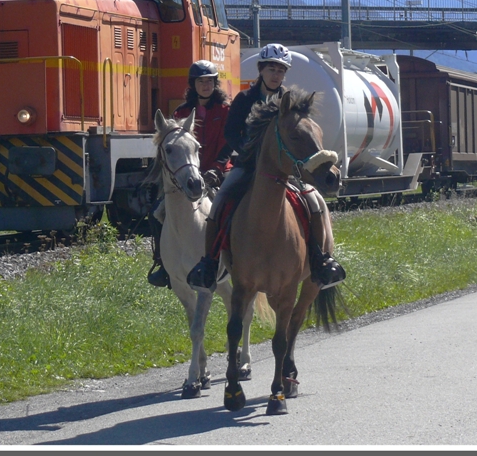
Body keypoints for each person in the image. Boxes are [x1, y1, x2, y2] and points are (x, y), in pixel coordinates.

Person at [185, 43, 347, 292]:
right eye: (272, 69)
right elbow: (230, 132)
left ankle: (319, 259)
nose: (276, 75)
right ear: (261, 70)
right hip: (248, 167)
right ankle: (209, 264)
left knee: (314, 203)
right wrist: (251, 151)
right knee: (218, 204)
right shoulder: (244, 99)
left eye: (281, 71)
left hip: (287, 169)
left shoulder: (290, 101)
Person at [147, 60, 232, 288]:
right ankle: (163, 264)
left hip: (218, 172)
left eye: (210, 81)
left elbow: (228, 143)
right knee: (157, 213)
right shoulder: (181, 112)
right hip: (187, 176)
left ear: (215, 84)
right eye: (201, 81)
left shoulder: (225, 111)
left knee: (233, 209)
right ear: (193, 84)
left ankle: (238, 260)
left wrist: (216, 169)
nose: (205, 85)